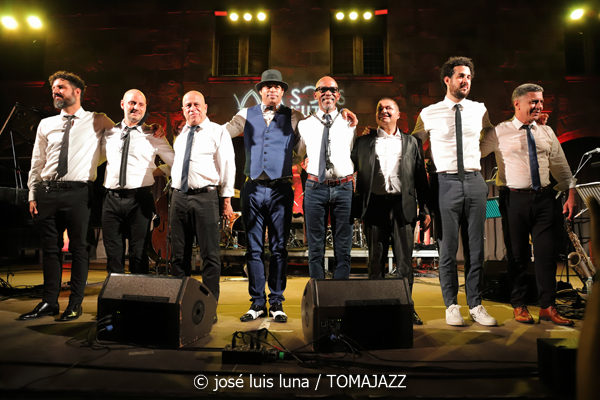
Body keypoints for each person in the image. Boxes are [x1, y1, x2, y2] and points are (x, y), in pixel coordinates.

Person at [224, 69, 357, 323]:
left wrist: (293, 162)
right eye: (267, 86)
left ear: (283, 91)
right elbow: (221, 134)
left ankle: (276, 301)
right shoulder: (245, 114)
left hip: (281, 188)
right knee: (253, 249)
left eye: (277, 86)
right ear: (260, 91)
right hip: (252, 187)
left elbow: (308, 143)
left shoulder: (296, 117)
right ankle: (257, 302)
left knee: (278, 249)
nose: (272, 90)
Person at [21, 71, 114, 321]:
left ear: (77, 91)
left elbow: (124, 135)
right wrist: (32, 193)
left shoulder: (98, 120)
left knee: (79, 249)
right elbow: (37, 161)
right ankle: (49, 302)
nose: (55, 91)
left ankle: (75, 304)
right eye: (53, 88)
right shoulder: (46, 124)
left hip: (78, 192)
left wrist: (152, 128)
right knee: (50, 250)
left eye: (61, 87)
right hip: (47, 191)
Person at [480, 83, 577, 326]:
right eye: (534, 101)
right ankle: (519, 304)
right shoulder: (499, 132)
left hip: (545, 198)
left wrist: (571, 193)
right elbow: (474, 153)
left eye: (541, 101)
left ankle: (548, 306)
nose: (539, 106)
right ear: (517, 104)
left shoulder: (546, 131)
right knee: (517, 255)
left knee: (546, 254)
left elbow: (561, 165)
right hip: (514, 199)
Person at [412, 56, 497, 327]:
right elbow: (413, 145)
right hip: (445, 183)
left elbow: (491, 135)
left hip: (474, 180)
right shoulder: (429, 112)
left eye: (469, 77)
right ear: (447, 79)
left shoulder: (479, 109)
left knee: (476, 249)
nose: (466, 81)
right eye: (461, 76)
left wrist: (475, 155)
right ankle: (451, 305)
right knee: (447, 249)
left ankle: (476, 304)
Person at [352, 98, 431, 325]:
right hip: (374, 205)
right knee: (375, 262)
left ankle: (405, 308)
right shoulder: (363, 142)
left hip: (402, 206)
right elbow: (349, 171)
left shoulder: (412, 142)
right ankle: (376, 308)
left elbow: (420, 178)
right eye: (380, 108)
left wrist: (426, 209)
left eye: (389, 108)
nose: (384, 111)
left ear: (398, 115)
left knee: (404, 263)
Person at [170, 91, 235, 322]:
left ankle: (208, 308)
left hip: (205, 198)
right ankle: (179, 306)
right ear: (183, 109)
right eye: (188, 105)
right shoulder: (181, 134)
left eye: (196, 104)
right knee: (179, 256)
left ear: (205, 107)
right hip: (178, 198)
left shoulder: (218, 131)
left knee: (210, 256)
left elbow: (227, 166)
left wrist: (226, 200)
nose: (192, 108)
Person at [102, 89, 174, 275]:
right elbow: (93, 158)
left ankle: (138, 292)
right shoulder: (109, 132)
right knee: (113, 254)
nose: (136, 107)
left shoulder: (153, 134)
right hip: (111, 199)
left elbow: (176, 162)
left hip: (139, 199)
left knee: (139, 253)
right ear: (122, 104)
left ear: (145, 107)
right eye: (132, 103)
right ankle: (115, 292)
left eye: (141, 104)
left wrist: (158, 171)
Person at [297, 76, 355, 280]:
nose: (328, 93)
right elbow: (298, 154)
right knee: (315, 247)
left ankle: (340, 292)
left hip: (344, 188)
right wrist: (306, 163)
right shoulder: (305, 124)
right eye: (323, 89)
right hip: (315, 188)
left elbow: (353, 152)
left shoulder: (349, 122)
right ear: (315, 95)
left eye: (332, 89)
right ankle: (318, 292)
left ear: (338, 95)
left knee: (344, 247)